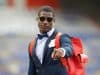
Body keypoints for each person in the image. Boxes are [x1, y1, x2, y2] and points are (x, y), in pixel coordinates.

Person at [28, 6, 73, 75]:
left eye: (49, 19)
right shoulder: (32, 44)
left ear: (54, 21)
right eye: (42, 18)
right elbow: (32, 69)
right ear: (37, 19)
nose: (45, 22)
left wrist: (62, 51)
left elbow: (69, 48)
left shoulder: (61, 37)